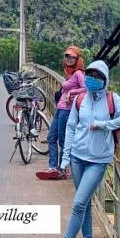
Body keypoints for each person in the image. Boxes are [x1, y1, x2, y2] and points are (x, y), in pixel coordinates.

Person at [53, 59, 120, 238]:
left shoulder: (112, 98)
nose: (91, 79)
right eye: (89, 75)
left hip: (98, 160)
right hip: (77, 157)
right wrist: (65, 158)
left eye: (97, 76)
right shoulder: (80, 99)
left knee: (79, 202)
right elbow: (71, 127)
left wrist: (104, 125)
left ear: (105, 80)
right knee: (85, 202)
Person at [37, 46, 85, 181]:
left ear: (78, 59)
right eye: (67, 56)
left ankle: (62, 169)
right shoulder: (70, 74)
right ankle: (53, 167)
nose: (69, 59)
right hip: (60, 109)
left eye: (72, 57)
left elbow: (86, 88)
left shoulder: (78, 74)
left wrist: (72, 92)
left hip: (67, 110)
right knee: (52, 137)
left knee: (63, 140)